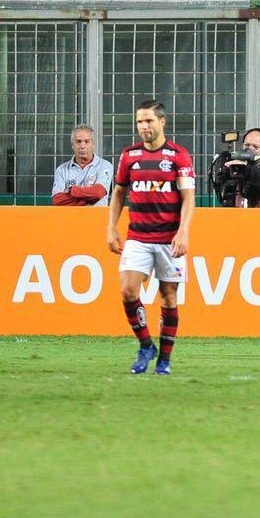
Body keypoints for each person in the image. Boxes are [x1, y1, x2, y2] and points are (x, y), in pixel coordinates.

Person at [107, 100, 195, 376]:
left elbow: (188, 197)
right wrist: (111, 227)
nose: (144, 127)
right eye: (140, 122)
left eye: (148, 121)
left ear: (162, 122)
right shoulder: (129, 156)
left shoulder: (178, 156)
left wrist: (183, 232)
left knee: (168, 298)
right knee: (127, 290)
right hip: (138, 236)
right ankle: (146, 345)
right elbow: (119, 192)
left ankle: (164, 361)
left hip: (169, 238)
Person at [51, 124, 113, 206]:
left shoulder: (105, 166)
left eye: (87, 142)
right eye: (78, 142)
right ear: (72, 145)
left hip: (96, 218)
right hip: (70, 218)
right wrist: (90, 199)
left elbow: (98, 192)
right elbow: (57, 200)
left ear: (93, 144)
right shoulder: (62, 170)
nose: (82, 146)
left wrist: (72, 190)